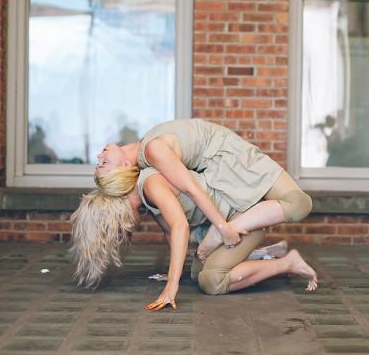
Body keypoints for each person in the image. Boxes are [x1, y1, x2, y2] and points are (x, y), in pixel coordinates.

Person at [71, 118, 317, 309]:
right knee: (200, 275)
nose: (99, 156)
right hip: (218, 180)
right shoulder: (146, 173)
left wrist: (221, 230)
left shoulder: (151, 159)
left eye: (103, 163)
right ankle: (267, 254)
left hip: (229, 168)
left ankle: (278, 259)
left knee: (298, 205)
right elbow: (172, 230)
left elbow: (186, 206)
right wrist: (173, 269)